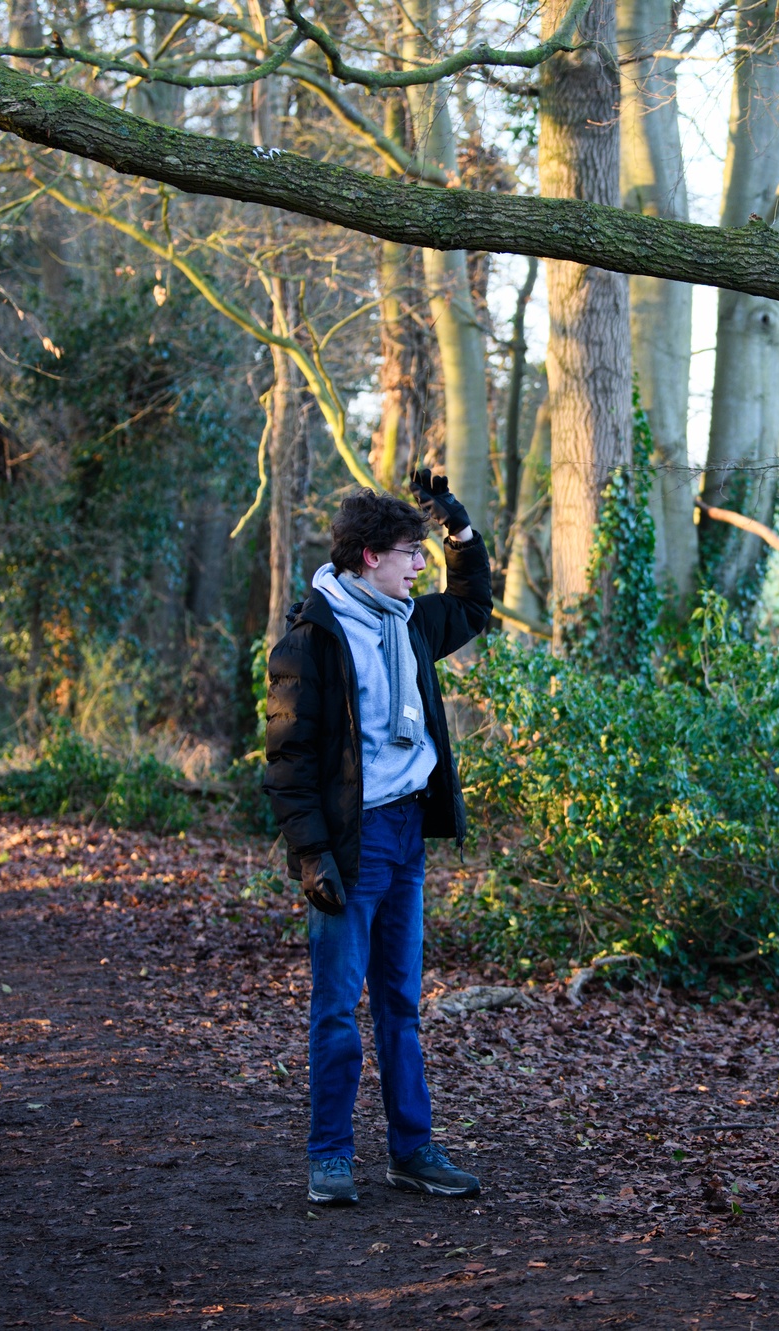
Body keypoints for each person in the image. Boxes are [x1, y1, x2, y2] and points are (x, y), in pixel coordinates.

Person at [264, 470, 491, 1207]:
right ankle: (330, 1154)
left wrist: (458, 529)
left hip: (407, 834)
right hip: (349, 844)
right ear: (369, 556)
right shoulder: (312, 640)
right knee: (336, 1007)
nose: (420, 565)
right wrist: (311, 855)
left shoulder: (410, 622)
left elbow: (472, 604)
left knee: (400, 1002)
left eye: (424, 553)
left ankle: (411, 1150)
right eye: (409, 553)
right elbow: (288, 763)